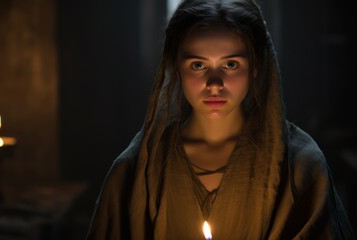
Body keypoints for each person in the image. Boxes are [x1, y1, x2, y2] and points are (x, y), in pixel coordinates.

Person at [86, 0, 355, 239]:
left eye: (231, 64)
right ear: (177, 69)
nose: (214, 84)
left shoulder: (300, 164)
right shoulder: (135, 171)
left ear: (256, 66)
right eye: (198, 65)